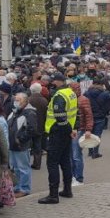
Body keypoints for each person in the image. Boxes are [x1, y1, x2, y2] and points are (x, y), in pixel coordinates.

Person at [39, 73, 77, 204]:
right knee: (65, 162)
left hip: (57, 133)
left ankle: (53, 195)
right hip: (66, 133)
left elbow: (61, 118)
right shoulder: (70, 92)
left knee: (52, 164)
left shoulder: (59, 96)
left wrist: (70, 131)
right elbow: (75, 113)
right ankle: (67, 189)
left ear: (58, 81)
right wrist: (73, 129)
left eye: (53, 81)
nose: (52, 84)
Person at [8, 93, 37, 197]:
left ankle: (24, 189)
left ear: (25, 102)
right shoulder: (14, 112)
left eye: (19, 100)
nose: (16, 102)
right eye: (15, 99)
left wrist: (20, 140)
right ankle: (18, 187)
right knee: (15, 168)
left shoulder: (29, 113)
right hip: (12, 146)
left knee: (23, 168)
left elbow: (32, 130)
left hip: (21, 146)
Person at [69, 81, 93, 184]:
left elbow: (88, 115)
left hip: (79, 130)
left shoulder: (83, 100)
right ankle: (73, 176)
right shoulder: (71, 99)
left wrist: (88, 130)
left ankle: (78, 178)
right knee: (71, 155)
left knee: (76, 155)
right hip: (71, 130)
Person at [83, 77, 110, 159]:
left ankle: (90, 151)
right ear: (102, 85)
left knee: (89, 133)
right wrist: (104, 112)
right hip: (100, 116)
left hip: (89, 116)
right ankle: (95, 152)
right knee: (97, 135)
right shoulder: (105, 93)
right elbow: (109, 106)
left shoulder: (87, 93)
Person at [28, 83, 48, 170]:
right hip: (41, 125)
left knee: (27, 146)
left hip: (29, 126)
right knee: (38, 145)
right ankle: (37, 163)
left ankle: (27, 162)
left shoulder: (28, 100)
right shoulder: (44, 100)